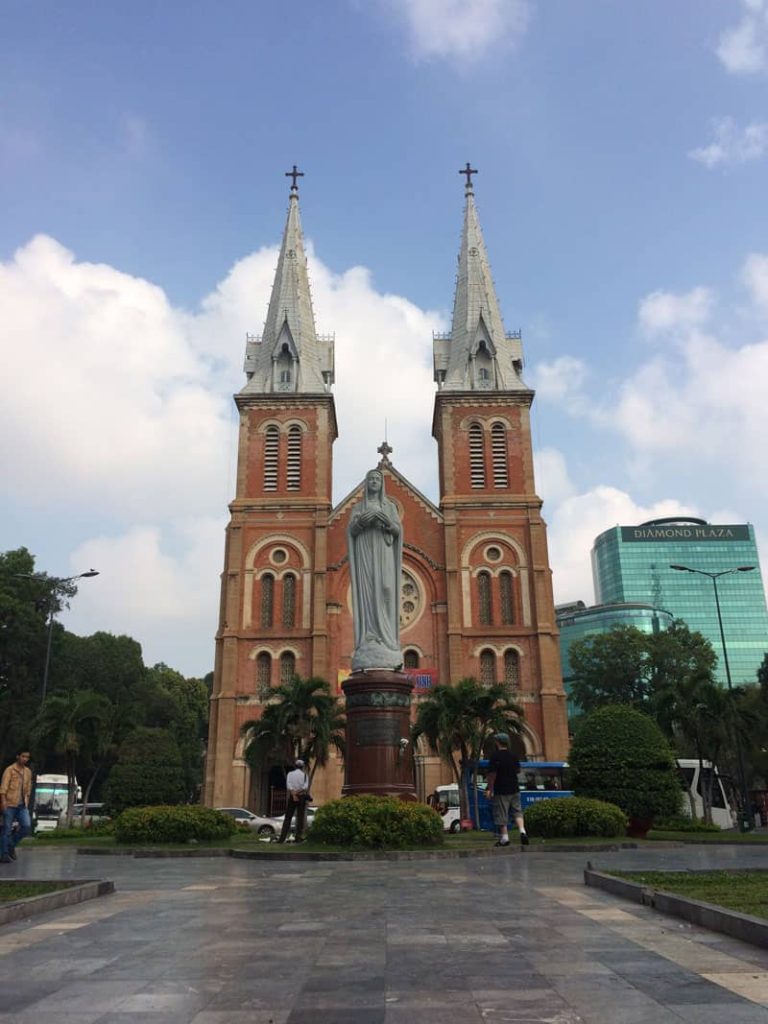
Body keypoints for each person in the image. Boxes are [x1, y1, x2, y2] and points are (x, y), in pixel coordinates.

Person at [348, 468, 403, 672]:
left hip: (384, 553)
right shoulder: (358, 508)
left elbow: (397, 530)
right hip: (365, 555)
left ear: (381, 484)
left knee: (387, 589)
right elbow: (351, 531)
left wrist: (387, 522)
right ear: (366, 483)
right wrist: (362, 521)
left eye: (377, 479)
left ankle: (387, 639)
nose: (374, 481)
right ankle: (370, 637)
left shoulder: (389, 507)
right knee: (368, 594)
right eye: (370, 478)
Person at [485, 733, 528, 848]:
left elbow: (492, 774)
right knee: (517, 811)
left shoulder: (495, 756)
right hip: (514, 788)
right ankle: (522, 831)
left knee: (501, 813)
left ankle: (505, 838)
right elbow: (518, 770)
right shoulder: (513, 755)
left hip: (501, 790)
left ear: (497, 742)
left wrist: (490, 789)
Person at [0, 750, 33, 863]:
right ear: (17, 756)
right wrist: (3, 802)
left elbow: (28, 788)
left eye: (27, 757)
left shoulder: (28, 772)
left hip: (22, 805)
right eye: (23, 756)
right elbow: (3, 788)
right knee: (7, 830)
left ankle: (11, 844)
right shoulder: (10, 770)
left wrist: (27, 802)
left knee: (26, 826)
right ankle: (3, 854)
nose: (25, 759)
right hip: (9, 804)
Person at [278, 758, 309, 843]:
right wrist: (297, 793)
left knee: (288, 818)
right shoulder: (305, 775)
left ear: (295, 766)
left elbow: (288, 785)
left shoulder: (290, 774)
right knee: (300, 818)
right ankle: (298, 838)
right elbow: (305, 787)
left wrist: (294, 794)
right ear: (302, 767)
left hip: (292, 797)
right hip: (301, 797)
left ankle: (282, 838)